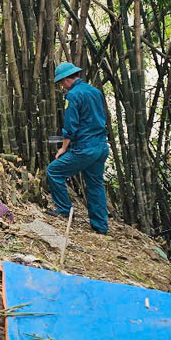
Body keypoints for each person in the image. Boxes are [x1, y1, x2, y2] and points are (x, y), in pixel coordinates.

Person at [46, 62, 110, 235]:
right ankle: (101, 227)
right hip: (101, 146)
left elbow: (71, 127)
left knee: (54, 171)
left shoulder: (73, 95)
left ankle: (64, 210)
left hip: (85, 148)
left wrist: (63, 148)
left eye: (61, 83)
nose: (62, 87)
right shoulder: (95, 92)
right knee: (95, 184)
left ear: (67, 79)